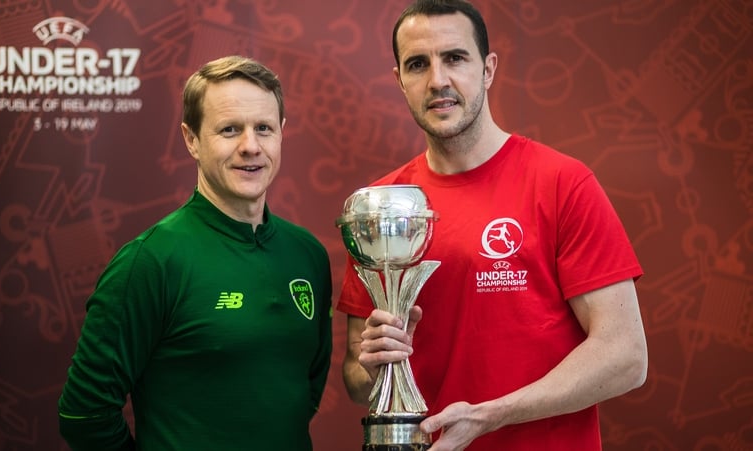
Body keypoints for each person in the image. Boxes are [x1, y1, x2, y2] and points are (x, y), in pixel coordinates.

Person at [337, 1, 648, 450]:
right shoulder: (381, 209)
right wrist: (372, 365)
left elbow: (625, 357)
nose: (438, 80)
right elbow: (355, 382)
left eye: (455, 58)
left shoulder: (562, 183)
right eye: (418, 64)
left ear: (488, 69)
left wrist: (490, 416)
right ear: (399, 80)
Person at [59, 55, 333, 451]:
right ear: (191, 140)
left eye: (264, 129)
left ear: (281, 134)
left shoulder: (308, 254)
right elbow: (83, 414)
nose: (250, 147)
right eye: (229, 130)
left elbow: (303, 392)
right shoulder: (150, 261)